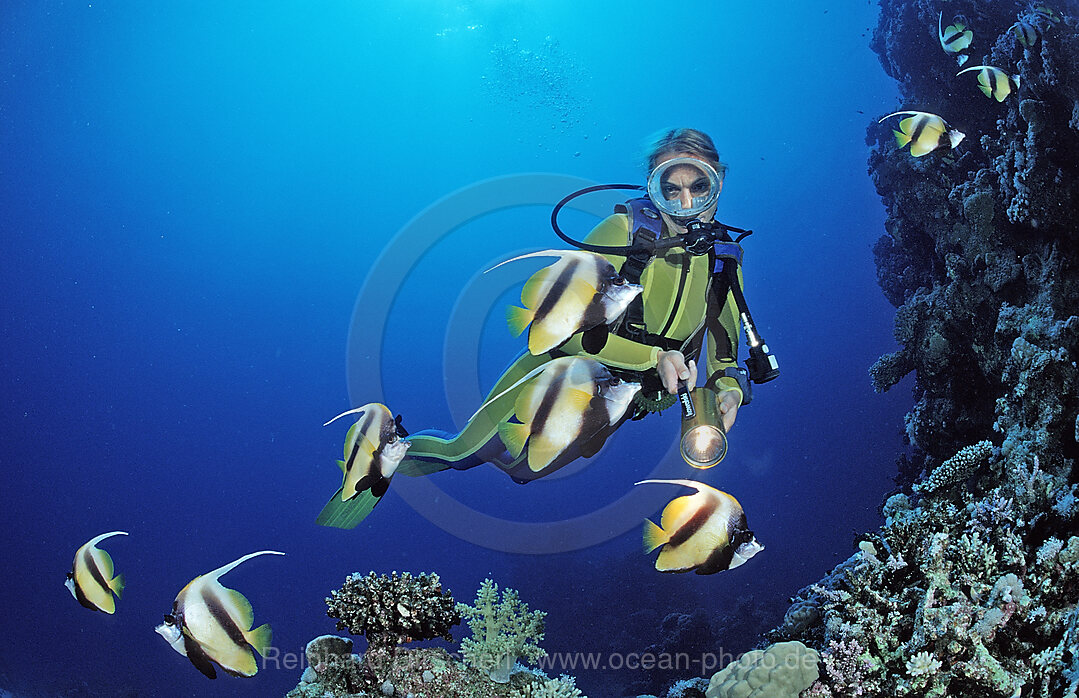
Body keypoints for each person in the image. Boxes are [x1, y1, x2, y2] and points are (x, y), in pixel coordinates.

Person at [394, 127, 750, 485]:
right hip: (554, 371)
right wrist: (653, 358)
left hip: (615, 396)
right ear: (653, 187)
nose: (686, 204)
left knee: (522, 473)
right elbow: (561, 332)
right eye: (671, 189)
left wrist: (728, 391)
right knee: (463, 454)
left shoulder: (724, 260)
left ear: (719, 181)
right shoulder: (624, 233)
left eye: (699, 186)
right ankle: (384, 455)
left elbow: (725, 356)